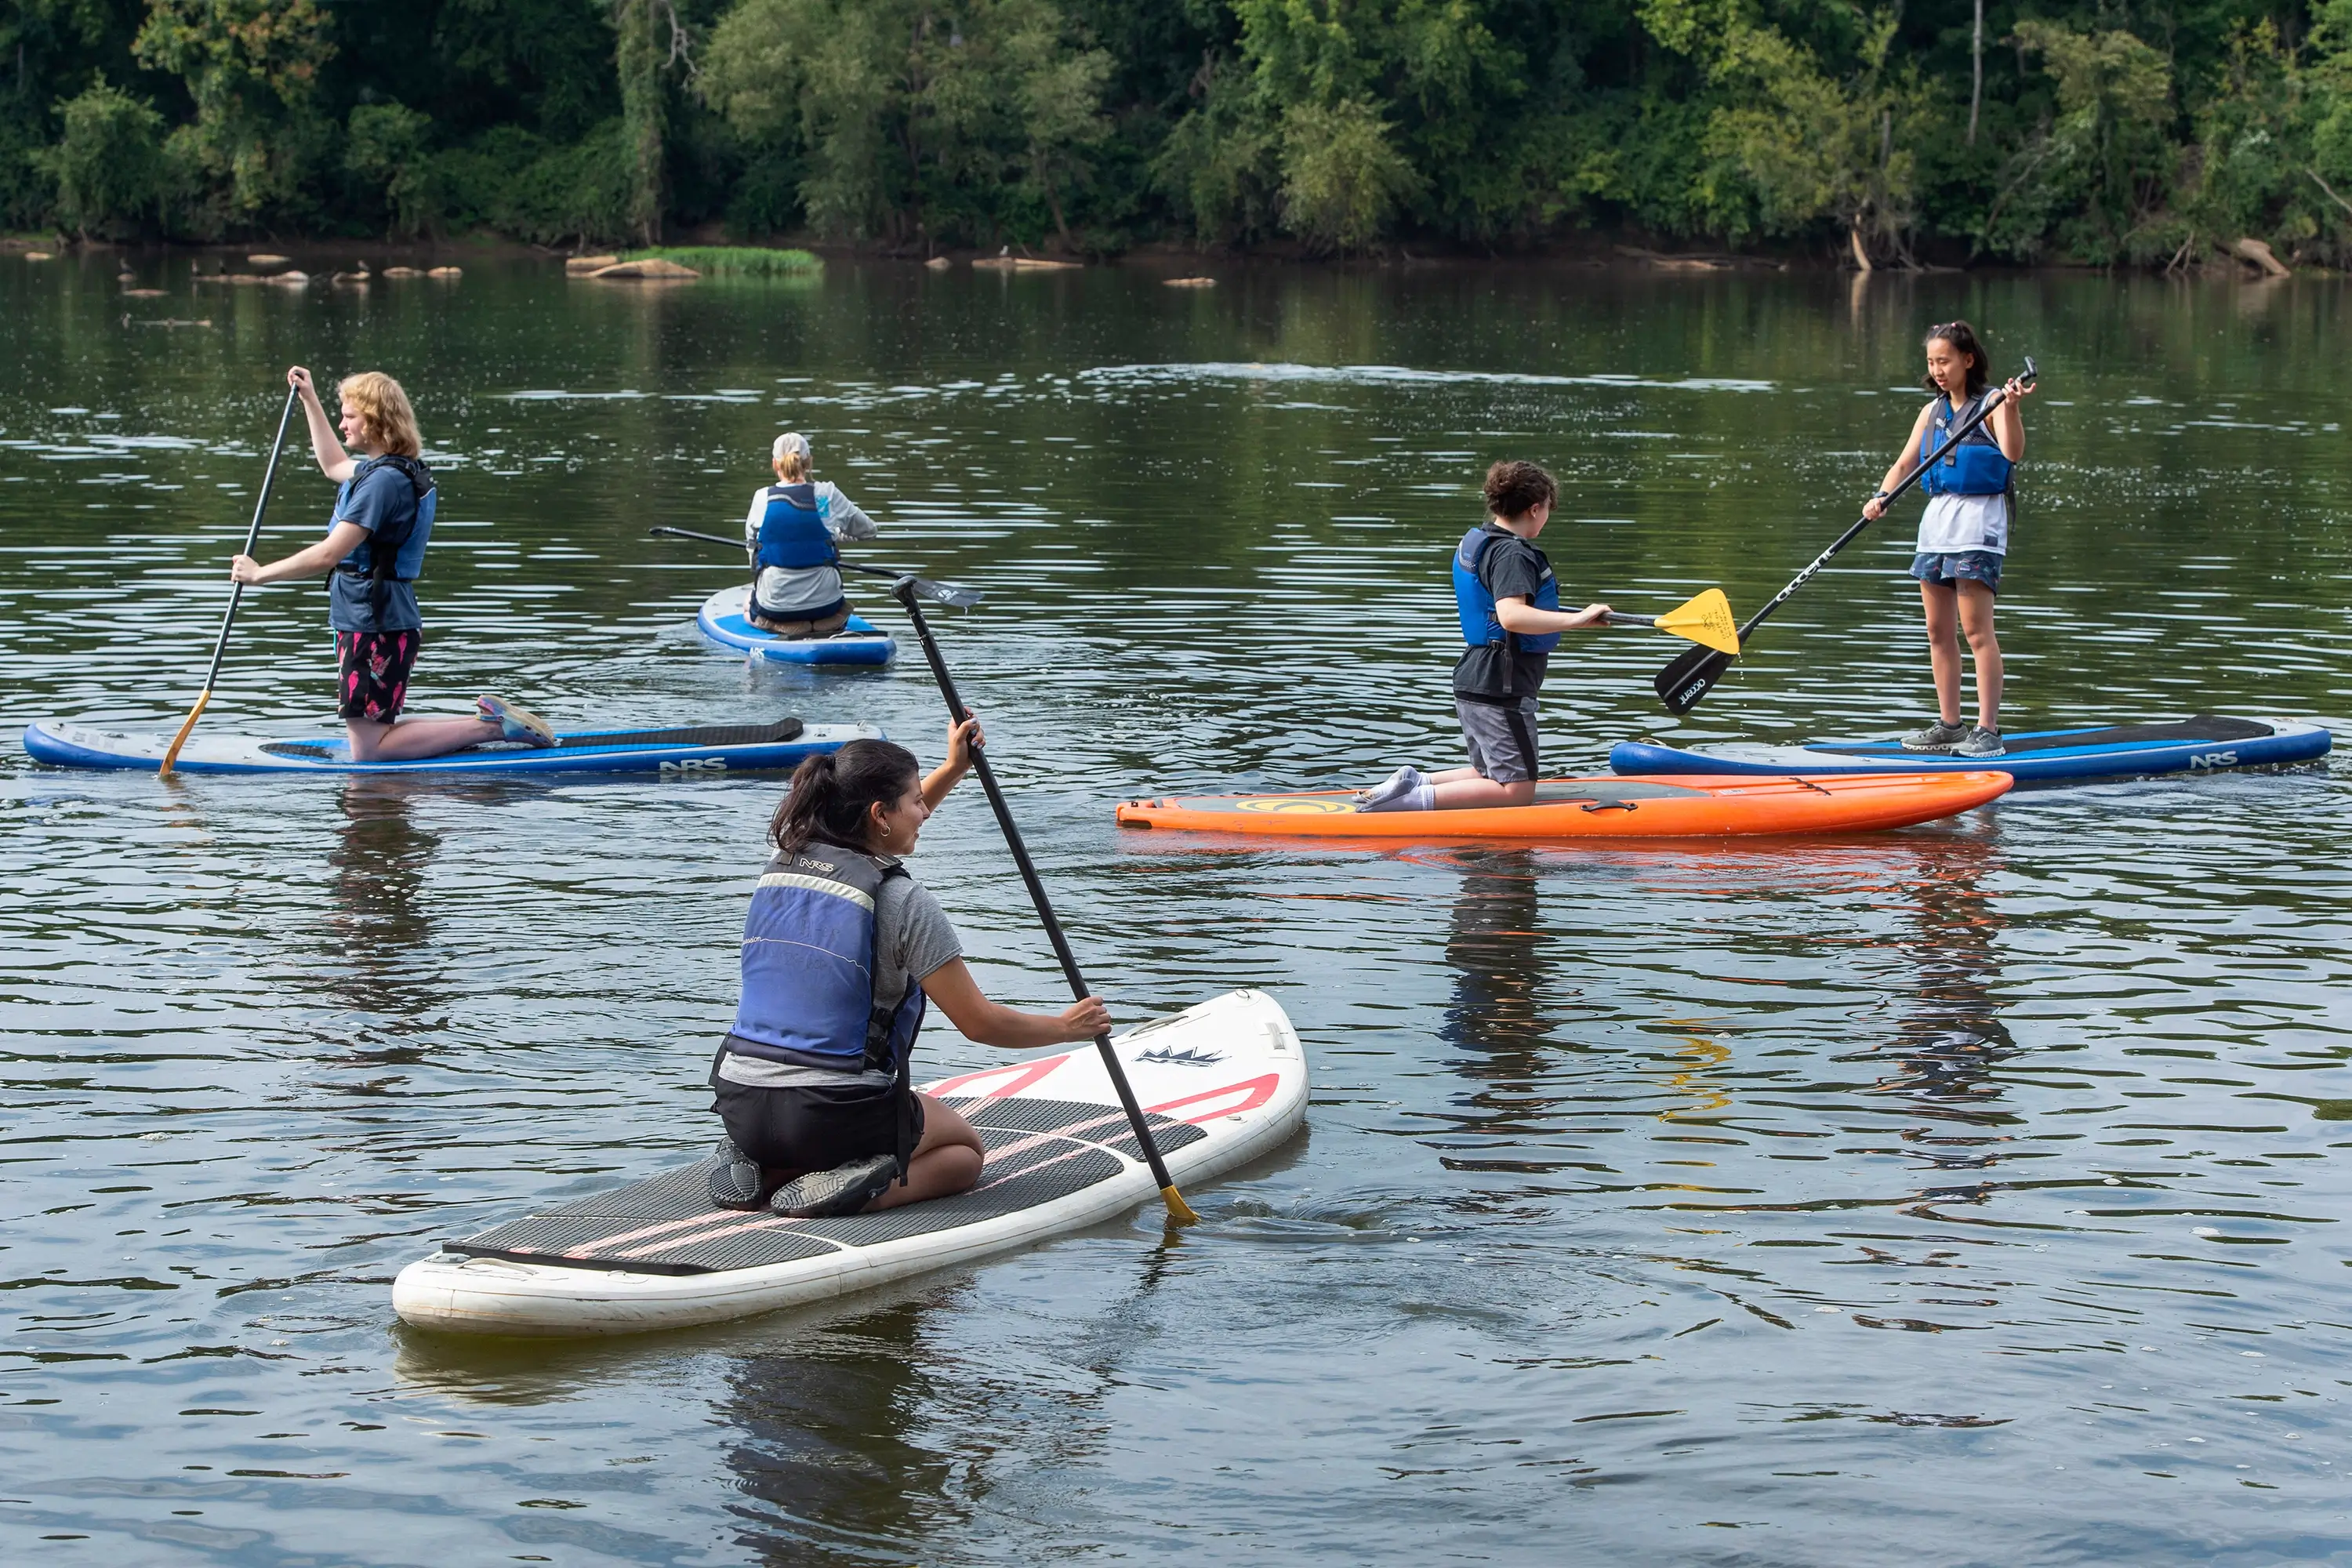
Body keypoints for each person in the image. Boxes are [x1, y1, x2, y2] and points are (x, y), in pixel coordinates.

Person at [707, 720, 1111, 1218]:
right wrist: (1067, 1027)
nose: (924, 812)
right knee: (963, 1152)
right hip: (828, 1113)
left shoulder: (785, 858)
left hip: (740, 1101)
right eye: (915, 801)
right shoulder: (907, 904)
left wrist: (953, 769)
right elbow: (979, 1024)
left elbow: (872, 840)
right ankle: (856, 1187)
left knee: (809, 1118)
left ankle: (763, 1164)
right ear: (880, 814)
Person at [230, 365, 554, 760]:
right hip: (378, 617)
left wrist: (260, 573)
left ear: (377, 421)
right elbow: (333, 465)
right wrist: (309, 400)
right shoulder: (390, 471)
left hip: (373, 621)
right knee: (375, 729)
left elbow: (331, 552)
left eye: (350, 416)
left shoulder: (383, 483)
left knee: (368, 750)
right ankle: (492, 722)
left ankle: (493, 727)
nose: (342, 423)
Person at [1356, 460, 1612, 811]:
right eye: (1548, 509)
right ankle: (1408, 801)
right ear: (1535, 508)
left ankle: (1416, 781)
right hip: (1500, 685)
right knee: (1517, 791)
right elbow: (1511, 616)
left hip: (1478, 677)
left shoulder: (1483, 541)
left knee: (1488, 771)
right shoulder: (1513, 553)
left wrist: (1576, 619)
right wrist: (1577, 620)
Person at [1861, 320, 2034, 757]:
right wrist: (1882, 495)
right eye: (1931, 362)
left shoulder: (1993, 402)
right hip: (1936, 524)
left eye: (1945, 361)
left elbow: (2013, 452)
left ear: (1967, 360)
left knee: (1977, 632)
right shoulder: (1932, 412)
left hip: (1978, 525)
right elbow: (1903, 466)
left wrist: (2011, 407)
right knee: (1938, 631)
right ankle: (1950, 725)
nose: (1937, 369)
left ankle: (1988, 730)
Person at [742, 431, 880, 635]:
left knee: (747, 605)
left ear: (775, 464)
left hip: (777, 605)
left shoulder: (762, 498)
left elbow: (753, 554)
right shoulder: (827, 494)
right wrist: (835, 536)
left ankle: (775, 624)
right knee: (831, 603)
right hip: (827, 605)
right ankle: (823, 622)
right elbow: (869, 531)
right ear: (809, 462)